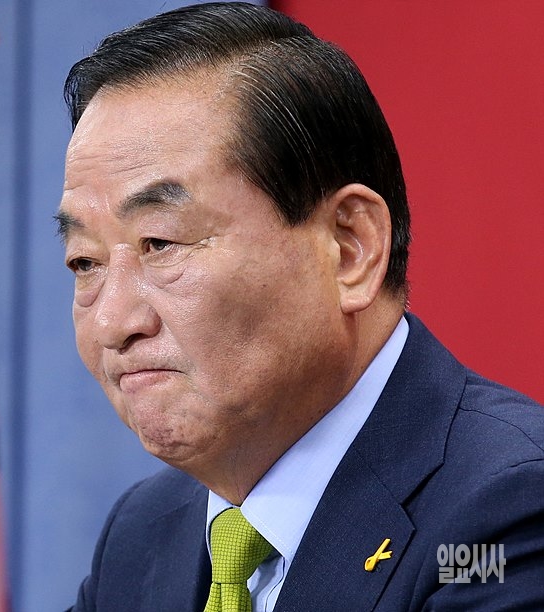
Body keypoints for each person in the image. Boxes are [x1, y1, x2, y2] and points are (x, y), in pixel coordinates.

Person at [55, 3, 544, 610]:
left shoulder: (510, 514)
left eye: (161, 243)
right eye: (85, 262)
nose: (111, 323)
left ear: (349, 248)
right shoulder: (143, 535)